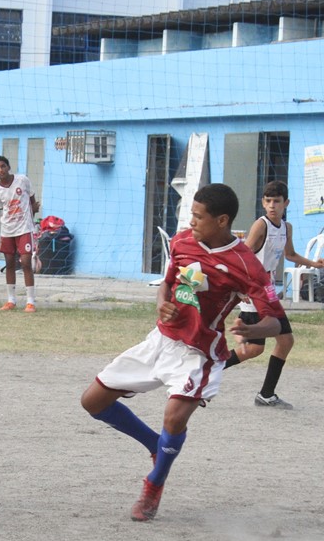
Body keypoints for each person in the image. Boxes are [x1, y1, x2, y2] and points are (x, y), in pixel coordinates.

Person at [80, 183, 285, 522]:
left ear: (221, 221)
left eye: (198, 216)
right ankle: (154, 446)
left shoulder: (246, 264)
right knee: (92, 401)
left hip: (198, 354)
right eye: (190, 213)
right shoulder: (181, 241)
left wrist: (253, 329)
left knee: (174, 417)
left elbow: (277, 322)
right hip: (161, 341)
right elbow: (167, 282)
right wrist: (162, 304)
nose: (191, 221)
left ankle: (154, 484)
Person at [224, 180, 323, 408]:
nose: (272, 205)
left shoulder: (286, 228)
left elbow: (290, 255)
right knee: (253, 349)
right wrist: (241, 288)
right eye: (268, 201)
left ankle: (266, 394)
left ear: (285, 203)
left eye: (276, 201)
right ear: (263, 202)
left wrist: (314, 265)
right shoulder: (261, 225)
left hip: (266, 289)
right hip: (254, 289)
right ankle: (202, 375)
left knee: (283, 341)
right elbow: (243, 256)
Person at [0, 156, 40, 313]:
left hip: (24, 228)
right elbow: (2, 209)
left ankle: (30, 302)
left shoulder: (22, 180)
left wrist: (32, 213)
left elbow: (32, 200)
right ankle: (11, 300)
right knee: (10, 263)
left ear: (8, 167)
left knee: (26, 262)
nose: (1, 170)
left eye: (3, 166)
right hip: (7, 230)